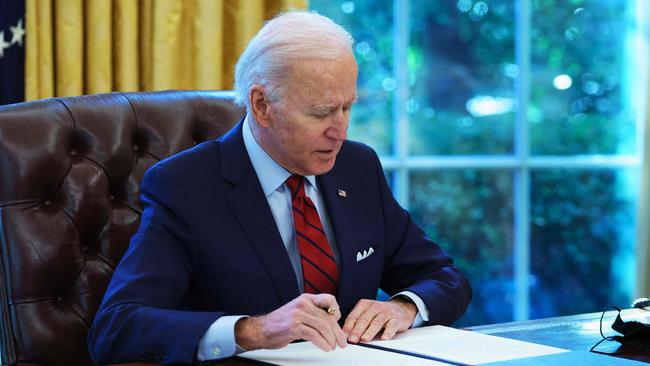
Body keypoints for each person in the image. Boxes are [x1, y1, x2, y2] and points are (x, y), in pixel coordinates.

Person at [88, 10, 472, 364]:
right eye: (321, 112)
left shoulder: (358, 167)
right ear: (261, 105)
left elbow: (446, 278)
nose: (340, 131)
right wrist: (254, 330)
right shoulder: (185, 187)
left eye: (347, 107)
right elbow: (116, 327)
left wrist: (403, 307)